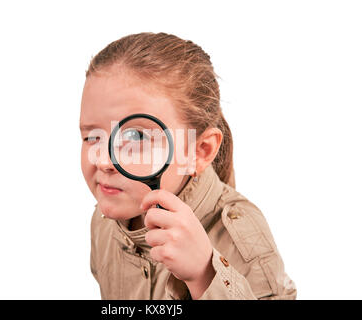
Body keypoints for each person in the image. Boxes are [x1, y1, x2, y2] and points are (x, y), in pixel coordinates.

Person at [79, 32, 296, 300]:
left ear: (200, 151)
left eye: (135, 137)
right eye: (92, 137)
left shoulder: (241, 233)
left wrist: (205, 275)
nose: (102, 160)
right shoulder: (104, 222)